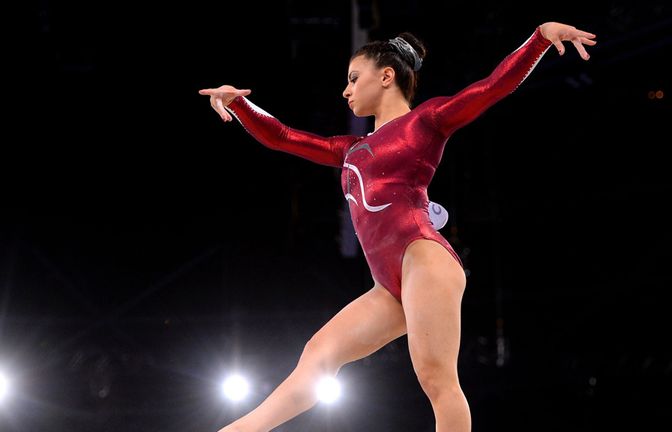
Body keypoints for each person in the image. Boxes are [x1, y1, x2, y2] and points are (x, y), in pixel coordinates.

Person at [199, 21, 596, 432]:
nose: (346, 90)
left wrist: (540, 38)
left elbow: (491, 87)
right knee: (318, 355)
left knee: (436, 378)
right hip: (387, 284)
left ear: (386, 76)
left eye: (354, 78)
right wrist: (239, 105)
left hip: (422, 257)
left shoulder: (426, 121)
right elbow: (283, 136)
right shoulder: (349, 149)